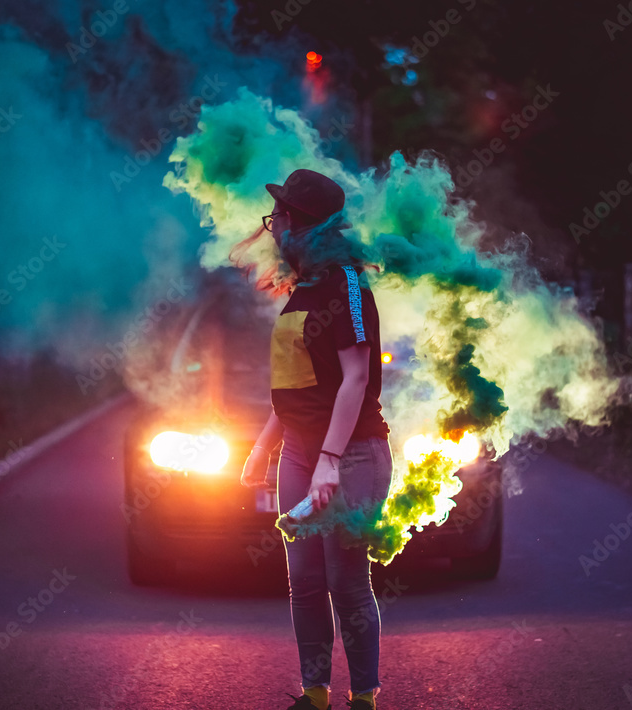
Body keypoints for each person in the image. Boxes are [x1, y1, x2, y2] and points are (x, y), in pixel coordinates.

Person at [235, 169, 393, 710]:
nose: (272, 224)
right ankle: (315, 694)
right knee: (303, 578)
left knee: (346, 579)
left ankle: (364, 697)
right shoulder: (303, 286)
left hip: (352, 454)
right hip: (302, 451)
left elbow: (355, 379)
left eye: (279, 215)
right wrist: (263, 446)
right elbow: (297, 384)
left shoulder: (346, 283)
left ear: (302, 224)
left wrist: (330, 460)